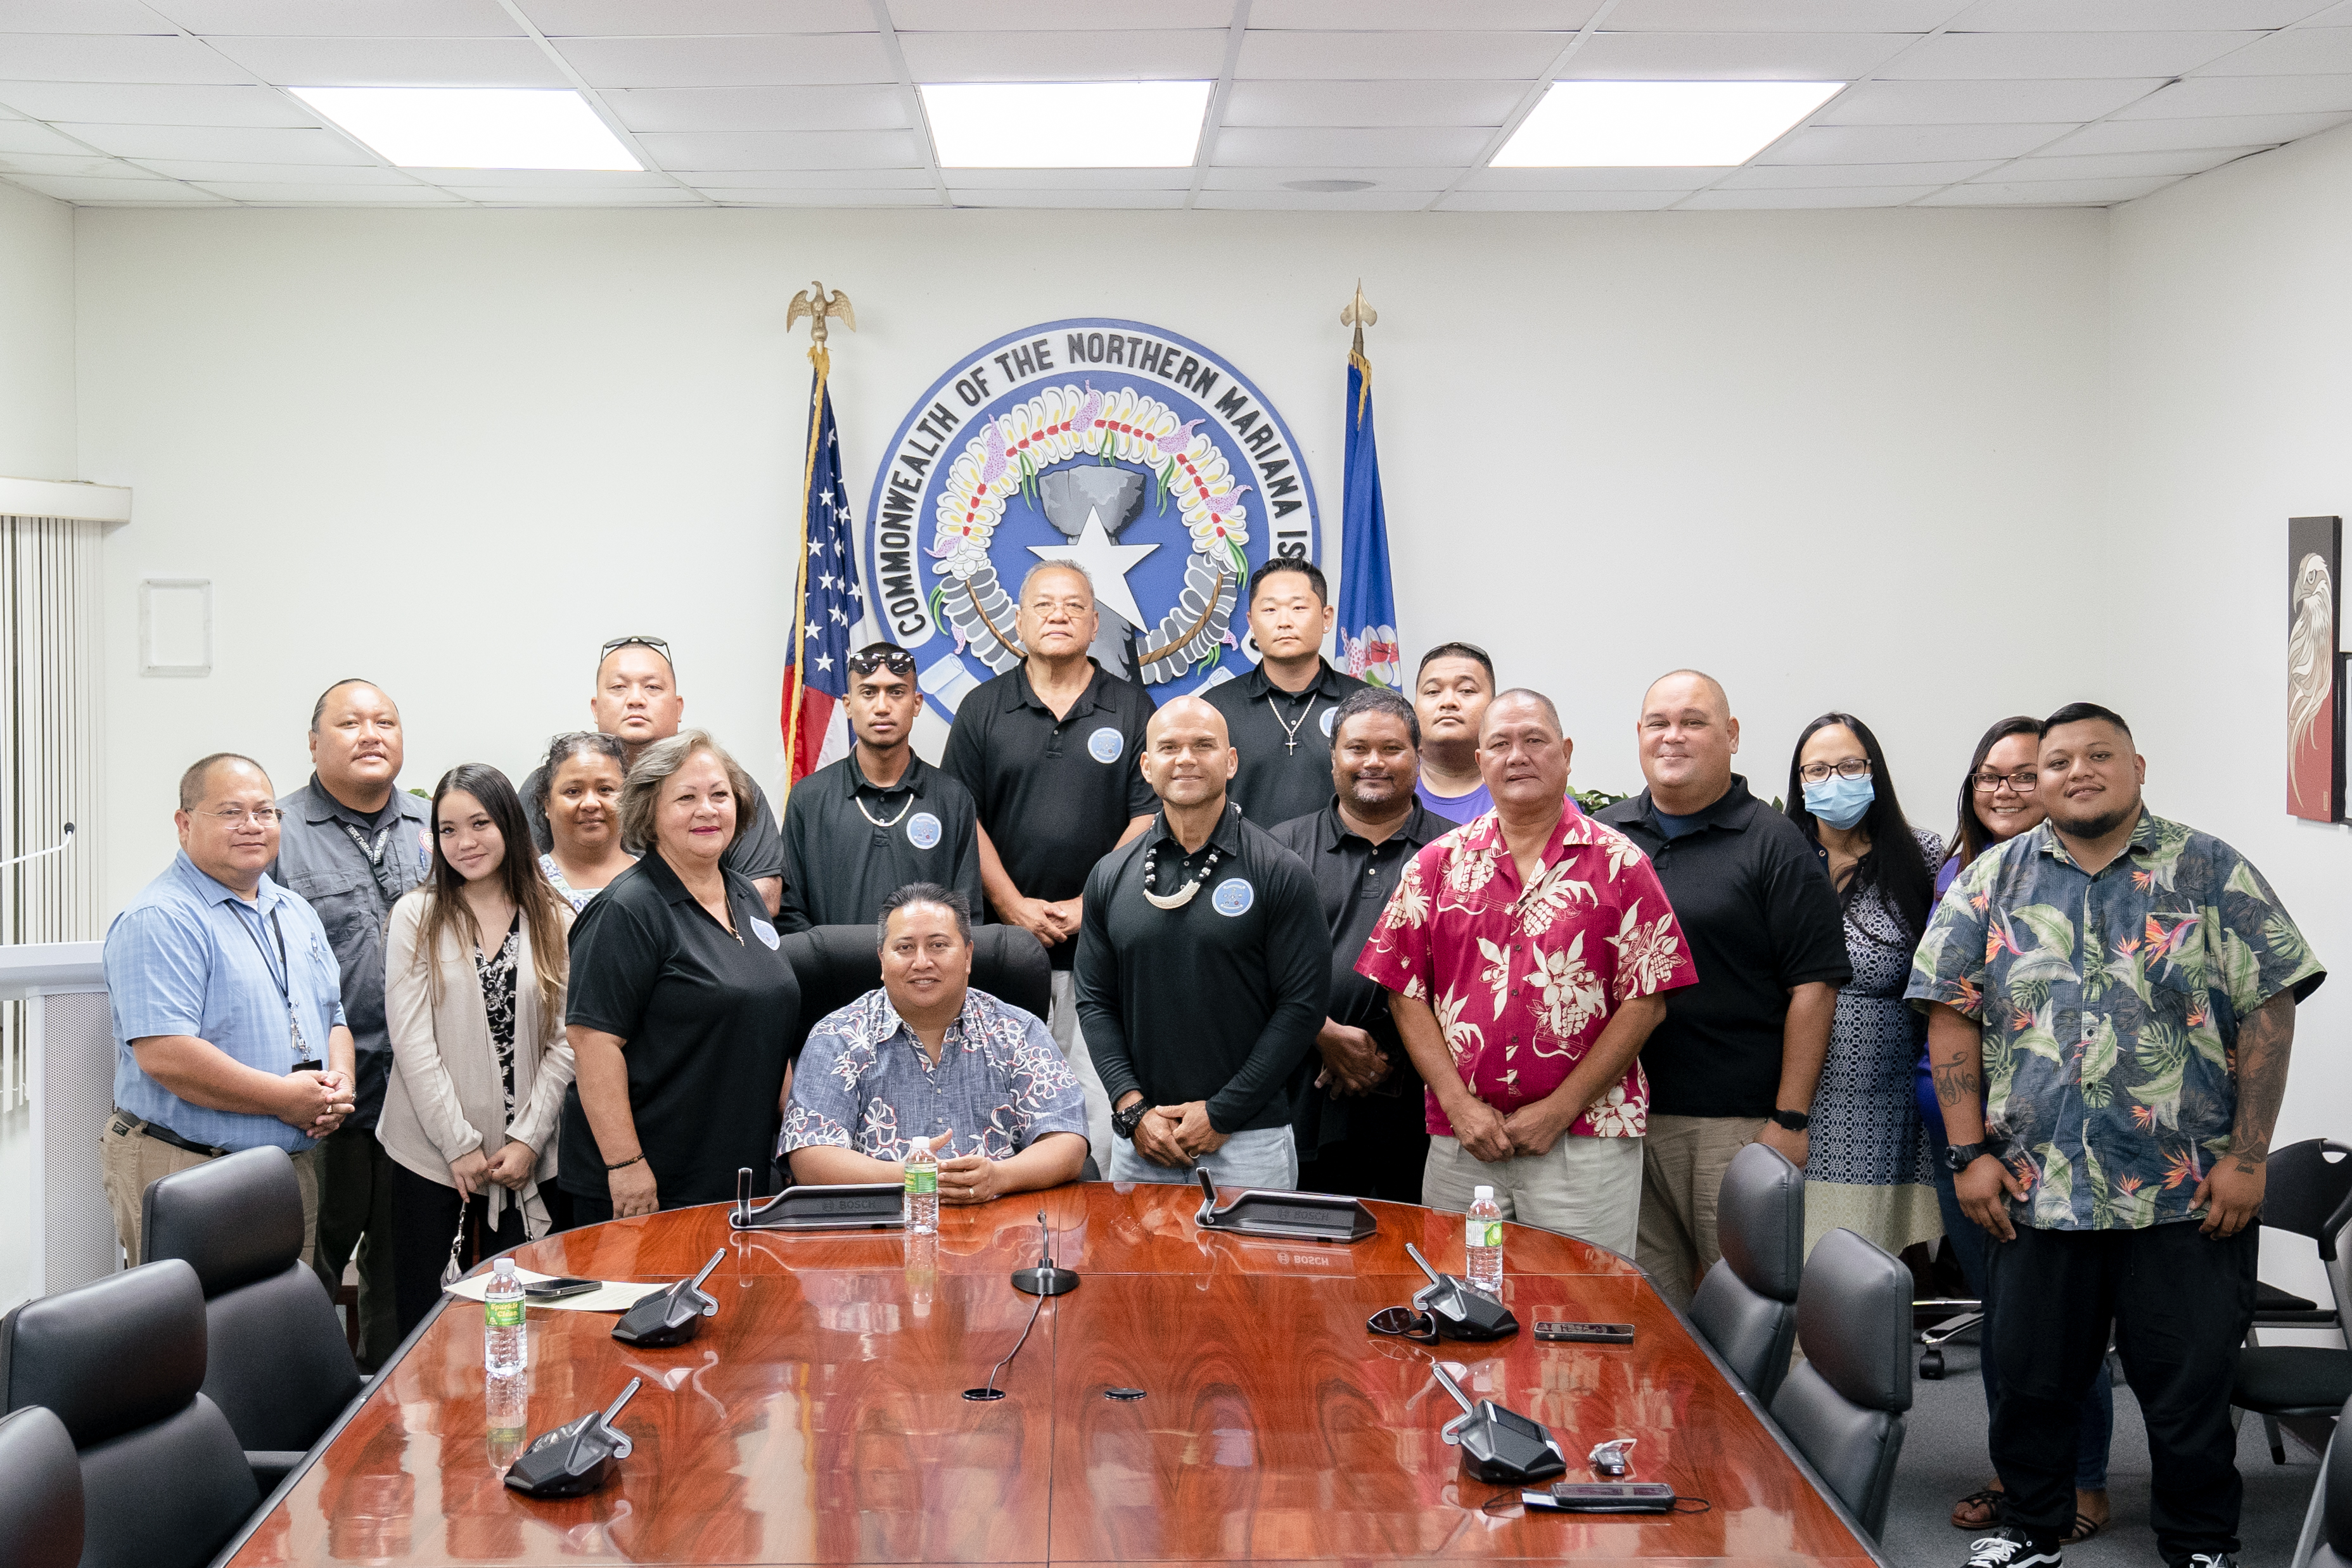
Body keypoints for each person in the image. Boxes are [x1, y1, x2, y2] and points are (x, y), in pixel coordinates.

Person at [1919, 704, 2322, 1568]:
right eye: (2058, 760)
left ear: (2137, 766)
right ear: (2040, 779)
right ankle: (2030, 1529)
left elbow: (2269, 1009)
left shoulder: (2210, 868)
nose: (2079, 770)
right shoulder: (1991, 878)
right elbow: (1950, 1014)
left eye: (2099, 754)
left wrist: (2249, 1157)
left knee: (2189, 1388)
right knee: (2031, 1381)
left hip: (2185, 1190)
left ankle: (2200, 1543)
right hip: (2036, 1187)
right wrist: (1968, 1154)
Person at [1359, 690, 1693, 1252]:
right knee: (1460, 1292)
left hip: (1586, 1137)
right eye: (1500, 744)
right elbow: (1404, 992)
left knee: (1580, 1298)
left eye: (1534, 739)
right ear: (1480, 760)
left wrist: (1560, 1109)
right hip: (1465, 1141)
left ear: (1566, 753)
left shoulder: (1621, 863)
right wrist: (1459, 1106)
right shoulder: (1435, 865)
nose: (1517, 755)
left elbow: (1648, 1001)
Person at [1595, 670, 1851, 1308]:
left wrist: (1789, 1120)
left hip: (1730, 1128)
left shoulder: (1775, 844)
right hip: (1615, 1119)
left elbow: (1814, 988)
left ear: (1731, 735)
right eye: (1659, 723)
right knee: (1647, 1311)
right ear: (1638, 734)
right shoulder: (1603, 837)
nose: (1673, 736)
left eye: (1694, 722)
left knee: (1750, 1309)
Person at [1929, 717, 2116, 1546]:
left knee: (2067, 1321)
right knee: (2007, 1321)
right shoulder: (1956, 873)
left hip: (2048, 1137)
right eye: (1988, 775)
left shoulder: (2085, 876)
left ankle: (2084, 1479)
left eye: (2021, 773)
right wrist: (1963, 1143)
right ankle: (2019, 1474)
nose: (2003, 789)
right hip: (1957, 1131)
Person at [942, 561, 1155, 1166]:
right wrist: (1012, 906)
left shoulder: (1132, 707)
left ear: (1095, 623)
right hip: (1007, 952)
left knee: (1100, 1112)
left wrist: (1091, 905)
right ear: (1018, 620)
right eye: (1043, 604)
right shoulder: (982, 708)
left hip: (1105, 949)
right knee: (1002, 1106)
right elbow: (963, 818)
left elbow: (1149, 817)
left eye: (1073, 605)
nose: (1058, 614)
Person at [101, 754, 353, 1266]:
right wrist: (284, 1098)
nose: (252, 825)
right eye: (231, 812)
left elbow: (334, 1017)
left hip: (287, 1168)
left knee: (281, 1312)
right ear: (184, 823)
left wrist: (339, 1084)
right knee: (190, 1316)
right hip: (187, 1166)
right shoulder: (161, 918)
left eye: (265, 811)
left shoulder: (295, 911)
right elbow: (166, 1054)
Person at [1077, 697, 1328, 1189]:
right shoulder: (1110, 875)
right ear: (1147, 766)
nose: (1186, 759)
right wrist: (1132, 1109)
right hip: (1144, 1142)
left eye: (1203, 745)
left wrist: (1221, 1112)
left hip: (1248, 1139)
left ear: (1230, 761)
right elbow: (1094, 1001)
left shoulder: (1280, 870)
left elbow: (1302, 1007)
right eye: (1169, 747)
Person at [556, 731, 800, 1221]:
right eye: (686, 797)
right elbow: (593, 1043)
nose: (706, 810)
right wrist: (626, 1165)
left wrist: (797, 1134)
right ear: (649, 812)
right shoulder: (627, 909)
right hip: (650, 1181)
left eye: (719, 794)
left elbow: (765, 1015)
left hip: (735, 1168)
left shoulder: (746, 897)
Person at [265, 678, 431, 1370]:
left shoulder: (436, 825)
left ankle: (393, 1409)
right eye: (350, 723)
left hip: (419, 1095)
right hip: (322, 1100)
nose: (371, 735)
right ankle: (309, 1411)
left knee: (405, 1275)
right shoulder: (275, 830)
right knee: (307, 1269)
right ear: (313, 743)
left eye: (385, 722)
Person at [380, 765, 575, 1337]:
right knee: (431, 1330)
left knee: (530, 1331)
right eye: (448, 829)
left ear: (510, 825)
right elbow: (411, 1041)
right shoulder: (416, 915)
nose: (464, 842)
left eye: (480, 823)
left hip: (527, 1160)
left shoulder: (554, 915)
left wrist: (528, 1138)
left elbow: (567, 1041)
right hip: (432, 1159)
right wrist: (458, 1144)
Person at [782, 884, 1089, 1200]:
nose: (922, 962)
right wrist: (913, 1176)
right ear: (882, 960)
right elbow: (809, 1157)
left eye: (938, 945)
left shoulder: (1017, 1031)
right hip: (881, 1222)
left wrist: (999, 1177)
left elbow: (1067, 1140)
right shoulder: (837, 1036)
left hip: (1001, 1218)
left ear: (968, 955)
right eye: (904, 948)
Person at [1269, 688, 1454, 1201]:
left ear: (1418, 757)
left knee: (1412, 1240)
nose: (1374, 761)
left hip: (1422, 1106)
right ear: (1333, 758)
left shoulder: (1459, 851)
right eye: (1357, 748)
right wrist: (1325, 1033)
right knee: (1307, 1243)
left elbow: (1473, 977)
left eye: (1392, 748)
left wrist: (1385, 1049)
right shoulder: (1281, 848)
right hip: (1303, 1091)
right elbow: (1249, 964)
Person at [1780, 713, 1943, 1261]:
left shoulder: (1921, 856)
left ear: (1874, 771)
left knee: (1867, 1264)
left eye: (1850, 766)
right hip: (1789, 1097)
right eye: (1818, 769)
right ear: (1800, 782)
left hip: (1886, 1099)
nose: (1835, 780)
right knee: (1791, 1259)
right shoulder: (1778, 854)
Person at [518, 636, 787, 916]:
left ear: (679, 707)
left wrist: (666, 926)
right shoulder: (551, 784)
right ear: (595, 709)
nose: (635, 700)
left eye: (653, 687)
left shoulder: (721, 782)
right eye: (619, 687)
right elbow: (518, 887)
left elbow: (764, 896)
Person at [777, 643, 983, 931]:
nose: (883, 706)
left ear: (917, 703)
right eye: (869, 692)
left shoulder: (953, 799)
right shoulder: (808, 799)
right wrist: (833, 957)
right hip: (832, 963)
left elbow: (966, 917)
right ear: (848, 705)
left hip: (924, 962)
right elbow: (788, 912)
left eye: (896, 692)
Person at [1201, 559, 1369, 827]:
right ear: (1251, 622)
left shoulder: (1367, 705)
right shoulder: (1213, 709)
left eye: (1298, 608)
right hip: (1242, 854)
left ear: (1326, 618)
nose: (1284, 622)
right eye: (1270, 609)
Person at [535, 731, 634, 912]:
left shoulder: (660, 880)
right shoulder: (525, 886)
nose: (590, 804)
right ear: (547, 804)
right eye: (573, 791)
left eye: (605, 789)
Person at [1413, 642, 1497, 824]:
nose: (1448, 702)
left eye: (1467, 690)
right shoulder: (1387, 787)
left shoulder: (1524, 789)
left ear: (1495, 707)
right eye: (1433, 691)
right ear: (1414, 708)